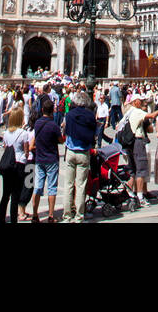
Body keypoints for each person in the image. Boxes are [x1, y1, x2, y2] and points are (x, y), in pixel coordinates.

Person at [61, 90, 97, 222]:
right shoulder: (90, 116)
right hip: (83, 152)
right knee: (81, 185)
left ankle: (67, 215)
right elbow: (94, 132)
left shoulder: (69, 115)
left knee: (68, 184)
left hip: (70, 152)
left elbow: (65, 131)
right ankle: (79, 216)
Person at [124, 94, 158, 207]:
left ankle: (128, 194)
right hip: (137, 141)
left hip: (129, 143)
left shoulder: (128, 112)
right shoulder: (137, 112)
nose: (142, 102)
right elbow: (151, 115)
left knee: (132, 171)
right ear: (135, 102)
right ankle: (140, 197)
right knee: (141, 170)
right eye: (140, 100)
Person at [30, 96, 61, 222]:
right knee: (52, 188)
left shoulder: (37, 124)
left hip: (39, 159)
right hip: (52, 159)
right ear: (53, 110)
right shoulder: (54, 126)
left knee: (37, 187)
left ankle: (35, 215)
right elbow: (60, 140)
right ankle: (51, 215)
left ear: (42, 109)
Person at [0, 105, 29, 223]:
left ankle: (1, 219)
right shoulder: (23, 133)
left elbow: (6, 148)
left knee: (5, 194)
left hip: (8, 165)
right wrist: (26, 155)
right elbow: (26, 151)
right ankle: (13, 219)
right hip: (19, 164)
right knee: (15, 195)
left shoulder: (6, 133)